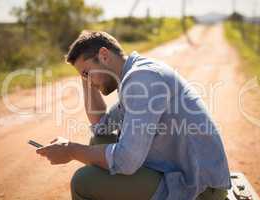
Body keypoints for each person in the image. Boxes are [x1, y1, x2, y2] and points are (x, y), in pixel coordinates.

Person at [36, 31, 231, 200]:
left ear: (104, 55)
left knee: (82, 182)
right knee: (99, 139)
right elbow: (100, 125)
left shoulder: (143, 79)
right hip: (177, 171)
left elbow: (126, 160)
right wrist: (86, 78)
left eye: (87, 73)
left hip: (199, 188)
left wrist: (71, 150)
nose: (88, 81)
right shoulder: (133, 76)